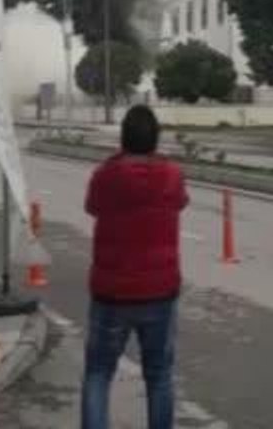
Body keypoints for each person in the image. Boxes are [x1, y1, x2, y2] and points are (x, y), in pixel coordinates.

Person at [81, 105, 188, 429]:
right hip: (159, 292)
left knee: (98, 374)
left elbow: (92, 206)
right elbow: (181, 202)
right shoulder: (171, 175)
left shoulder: (105, 175)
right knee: (159, 377)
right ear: (155, 139)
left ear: (124, 138)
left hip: (111, 293)